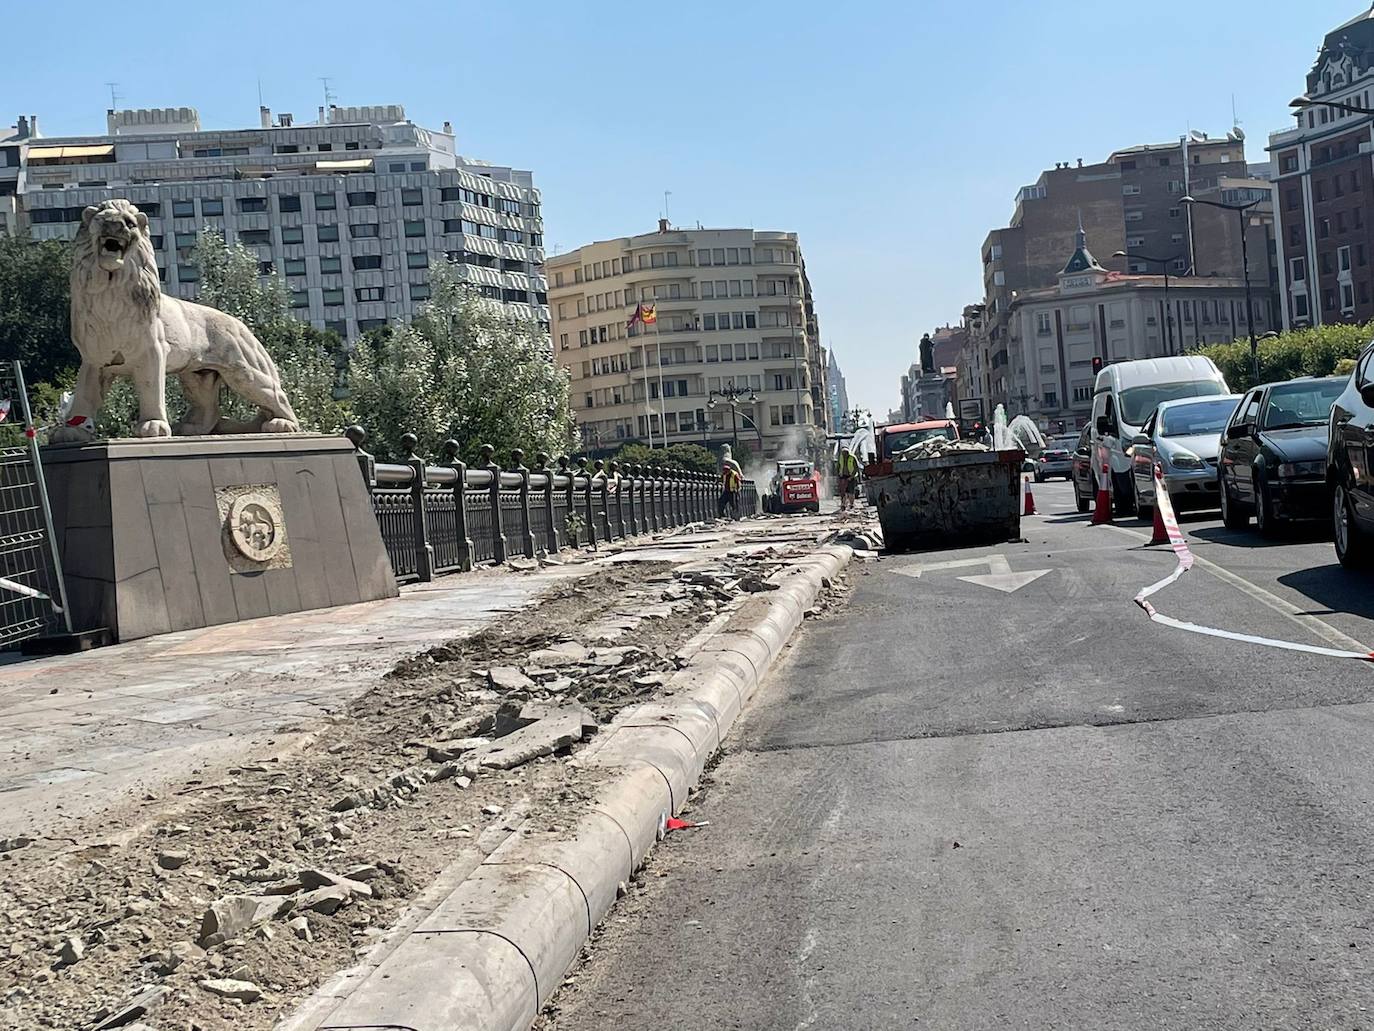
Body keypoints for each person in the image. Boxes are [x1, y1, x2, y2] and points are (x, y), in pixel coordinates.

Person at [718, 446, 743, 519]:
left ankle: (736, 517)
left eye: (725, 471)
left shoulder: (734, 474)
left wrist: (738, 490)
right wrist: (717, 482)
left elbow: (738, 482)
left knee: (734, 505)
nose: (724, 472)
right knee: (721, 503)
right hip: (726, 491)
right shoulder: (725, 474)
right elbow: (721, 479)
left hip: (733, 492)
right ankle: (722, 515)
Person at [837, 447, 861, 511]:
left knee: (851, 492)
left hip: (850, 477)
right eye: (843, 453)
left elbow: (856, 468)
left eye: (845, 453)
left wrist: (851, 477)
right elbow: (838, 466)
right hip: (843, 477)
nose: (844, 455)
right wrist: (839, 475)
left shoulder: (852, 457)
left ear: (848, 453)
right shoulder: (841, 458)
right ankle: (843, 504)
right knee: (843, 492)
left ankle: (851, 504)